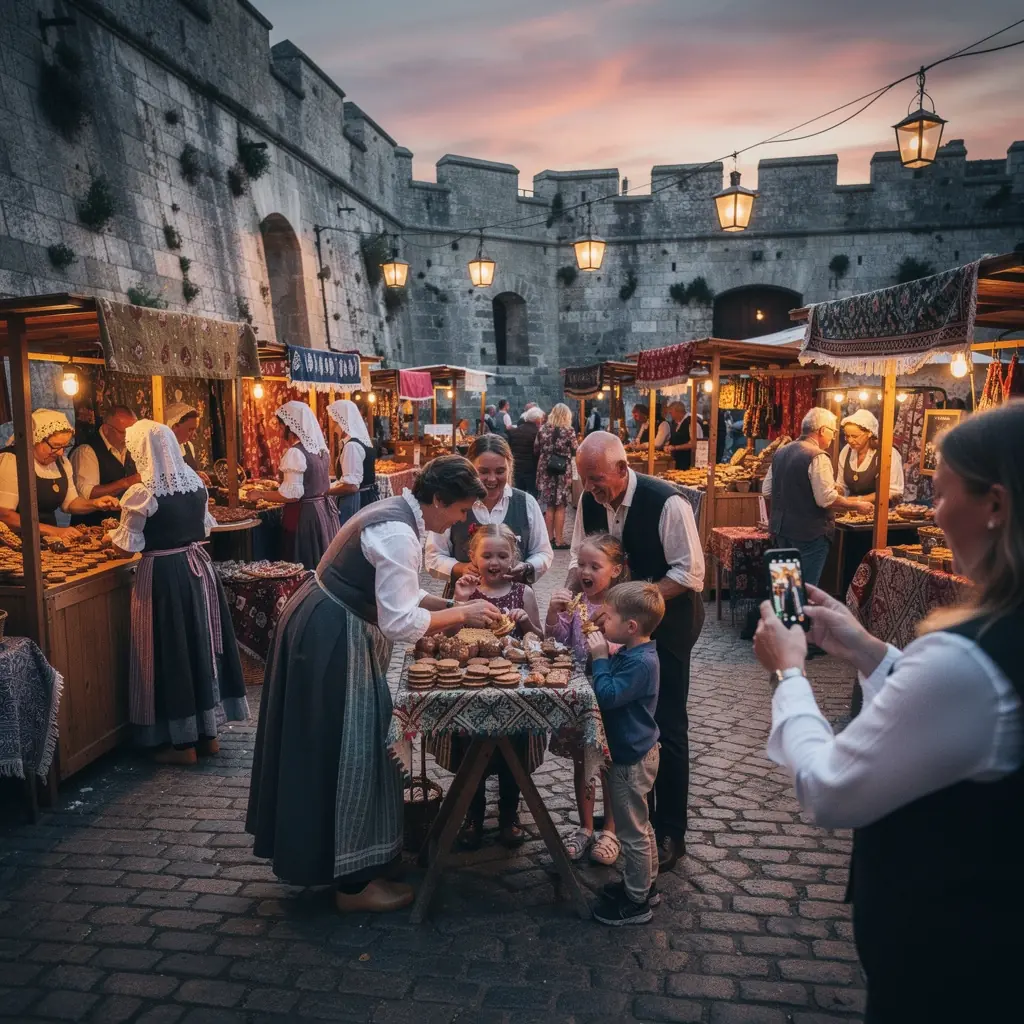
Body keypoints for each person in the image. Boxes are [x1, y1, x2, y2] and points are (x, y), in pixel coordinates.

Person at [753, 403, 1024, 1023]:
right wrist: (863, 647)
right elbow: (962, 720)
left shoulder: (968, 657)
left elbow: (829, 789)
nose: (932, 512)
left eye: (942, 492)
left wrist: (790, 672)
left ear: (996, 505)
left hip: (950, 961)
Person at [246, 456, 503, 913]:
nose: (462, 521)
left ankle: (354, 862)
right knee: (350, 745)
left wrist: (447, 603)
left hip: (331, 624)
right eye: (461, 510)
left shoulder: (398, 514)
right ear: (439, 500)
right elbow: (402, 621)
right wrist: (462, 614)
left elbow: (399, 597)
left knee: (348, 741)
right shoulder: (398, 532)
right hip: (330, 635)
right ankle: (352, 884)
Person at [571, 431, 704, 872]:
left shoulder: (667, 502)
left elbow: (689, 574)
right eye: (586, 481)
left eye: (597, 480)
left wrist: (633, 603)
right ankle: (629, 825)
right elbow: (578, 560)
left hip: (667, 626)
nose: (592, 490)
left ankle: (670, 833)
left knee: (665, 725)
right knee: (621, 724)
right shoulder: (589, 500)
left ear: (622, 469)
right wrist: (569, 599)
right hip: (613, 627)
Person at [110, 420, 248, 765]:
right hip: (197, 571)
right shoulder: (195, 485)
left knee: (171, 650)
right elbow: (203, 528)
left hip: (164, 576)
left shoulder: (143, 493)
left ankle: (181, 745)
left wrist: (108, 539)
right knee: (197, 648)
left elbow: (128, 547)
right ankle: (207, 737)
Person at [453, 524, 543, 850]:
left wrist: (526, 623)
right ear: (472, 558)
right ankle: (472, 816)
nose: (495, 562)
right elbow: (448, 640)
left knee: (513, 750)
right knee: (468, 750)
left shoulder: (524, 593)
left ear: (513, 557)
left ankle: (509, 814)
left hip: (512, 689)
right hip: (471, 687)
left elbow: (537, 640)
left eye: (502, 555)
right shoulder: (465, 591)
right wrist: (459, 604)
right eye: (487, 555)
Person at [586, 582, 665, 926]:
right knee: (641, 824)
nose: (602, 620)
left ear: (631, 627)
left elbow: (608, 695)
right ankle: (646, 885)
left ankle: (636, 903)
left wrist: (601, 658)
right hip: (637, 752)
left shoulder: (641, 663)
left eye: (609, 615)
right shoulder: (635, 653)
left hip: (631, 758)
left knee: (632, 832)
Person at [547, 532, 626, 866]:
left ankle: (610, 829)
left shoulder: (621, 607)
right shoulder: (576, 603)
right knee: (583, 763)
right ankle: (585, 826)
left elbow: (630, 645)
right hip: (578, 694)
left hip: (609, 695)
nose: (585, 571)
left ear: (617, 571)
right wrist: (553, 613)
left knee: (608, 762)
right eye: (581, 564)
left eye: (595, 565)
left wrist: (606, 638)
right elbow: (559, 638)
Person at [425, 433, 552, 598]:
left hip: (515, 605)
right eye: (483, 472)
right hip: (463, 602)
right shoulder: (454, 503)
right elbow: (433, 555)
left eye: (500, 471)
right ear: (470, 468)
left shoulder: (526, 503)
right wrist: (460, 568)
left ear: (509, 467)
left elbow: (543, 552)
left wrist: (527, 567)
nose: (492, 479)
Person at [762, 408, 873, 588]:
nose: (834, 437)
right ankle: (804, 617)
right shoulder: (817, 456)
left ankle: (783, 616)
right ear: (822, 430)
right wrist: (857, 505)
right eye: (833, 432)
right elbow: (826, 499)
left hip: (781, 531)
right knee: (806, 590)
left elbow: (767, 490)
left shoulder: (781, 452)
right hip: (809, 534)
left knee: (786, 589)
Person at [0, 410, 121, 541]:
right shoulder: (12, 460)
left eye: (64, 446)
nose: (60, 452)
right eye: (55, 446)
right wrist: (54, 531)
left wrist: (95, 503)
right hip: (14, 543)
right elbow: (5, 515)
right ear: (34, 439)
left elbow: (70, 503)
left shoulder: (61, 463)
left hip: (47, 541)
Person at [247, 401, 341, 569]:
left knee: (302, 560)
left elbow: (291, 495)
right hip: (322, 512)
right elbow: (323, 486)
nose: (279, 430)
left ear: (290, 426)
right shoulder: (320, 451)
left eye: (281, 426)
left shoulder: (296, 453)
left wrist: (260, 494)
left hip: (304, 517)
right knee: (317, 561)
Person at [69, 405, 140, 524]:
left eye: (133, 433)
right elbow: (87, 494)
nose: (129, 438)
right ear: (106, 429)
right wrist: (126, 482)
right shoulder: (86, 451)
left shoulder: (130, 447)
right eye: (124, 432)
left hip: (123, 526)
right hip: (91, 529)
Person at [534, 402, 578, 549]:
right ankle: (559, 540)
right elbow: (575, 450)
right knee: (560, 505)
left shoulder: (543, 429)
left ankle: (549, 539)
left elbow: (536, 448)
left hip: (545, 469)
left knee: (549, 505)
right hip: (561, 471)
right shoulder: (569, 431)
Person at [327, 399, 378, 526]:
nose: (332, 425)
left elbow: (351, 486)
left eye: (334, 420)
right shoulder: (362, 441)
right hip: (366, 498)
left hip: (356, 503)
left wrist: (324, 491)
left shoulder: (352, 446)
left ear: (342, 422)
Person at [837, 409, 904, 503]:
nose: (850, 441)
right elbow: (842, 485)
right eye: (847, 436)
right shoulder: (846, 451)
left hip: (880, 512)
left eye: (855, 436)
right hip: (852, 512)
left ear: (869, 433)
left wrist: (858, 500)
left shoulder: (887, 454)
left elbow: (893, 492)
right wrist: (837, 491)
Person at [164, 403, 211, 486]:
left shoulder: (188, 446)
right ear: (174, 427)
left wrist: (196, 474)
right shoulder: (163, 450)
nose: (194, 435)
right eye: (190, 429)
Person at [506, 405, 544, 496]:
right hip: (531, 469)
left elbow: (509, 449)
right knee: (533, 496)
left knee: (518, 495)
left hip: (516, 468)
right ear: (537, 420)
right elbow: (538, 452)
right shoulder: (537, 433)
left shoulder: (514, 431)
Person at [663, 400, 703, 471]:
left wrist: (675, 447)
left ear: (678, 412)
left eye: (671, 413)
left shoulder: (692, 422)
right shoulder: (675, 423)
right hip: (677, 461)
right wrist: (668, 445)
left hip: (688, 462)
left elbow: (694, 444)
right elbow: (675, 438)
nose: (670, 415)